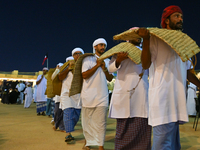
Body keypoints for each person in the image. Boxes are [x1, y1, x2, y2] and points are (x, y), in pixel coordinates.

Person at [139, 5, 200, 150]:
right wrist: (146, 40)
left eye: (181, 17)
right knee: (162, 145)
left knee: (173, 145)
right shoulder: (155, 38)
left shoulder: (182, 43)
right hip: (162, 100)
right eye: (176, 16)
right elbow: (145, 64)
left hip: (177, 100)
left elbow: (187, 72)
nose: (180, 19)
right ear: (166, 21)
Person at [108, 27, 151, 150]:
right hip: (123, 91)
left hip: (141, 91)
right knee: (123, 128)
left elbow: (149, 68)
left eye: (139, 36)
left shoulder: (145, 51)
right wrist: (119, 60)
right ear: (128, 37)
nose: (137, 38)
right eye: (134, 35)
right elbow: (111, 69)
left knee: (142, 125)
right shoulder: (119, 51)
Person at [81, 38, 113, 150]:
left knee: (101, 122)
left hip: (102, 96)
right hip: (88, 95)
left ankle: (100, 146)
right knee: (88, 122)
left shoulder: (108, 61)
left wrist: (104, 68)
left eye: (104, 45)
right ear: (95, 47)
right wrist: (97, 65)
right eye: (100, 45)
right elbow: (84, 75)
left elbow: (110, 78)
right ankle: (88, 143)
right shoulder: (87, 59)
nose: (103, 47)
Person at [58, 48, 84, 143]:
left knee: (76, 116)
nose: (78, 55)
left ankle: (69, 129)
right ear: (73, 56)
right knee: (68, 112)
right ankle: (68, 134)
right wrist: (69, 68)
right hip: (66, 94)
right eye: (76, 54)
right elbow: (60, 77)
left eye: (80, 53)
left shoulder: (84, 65)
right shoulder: (66, 65)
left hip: (78, 94)